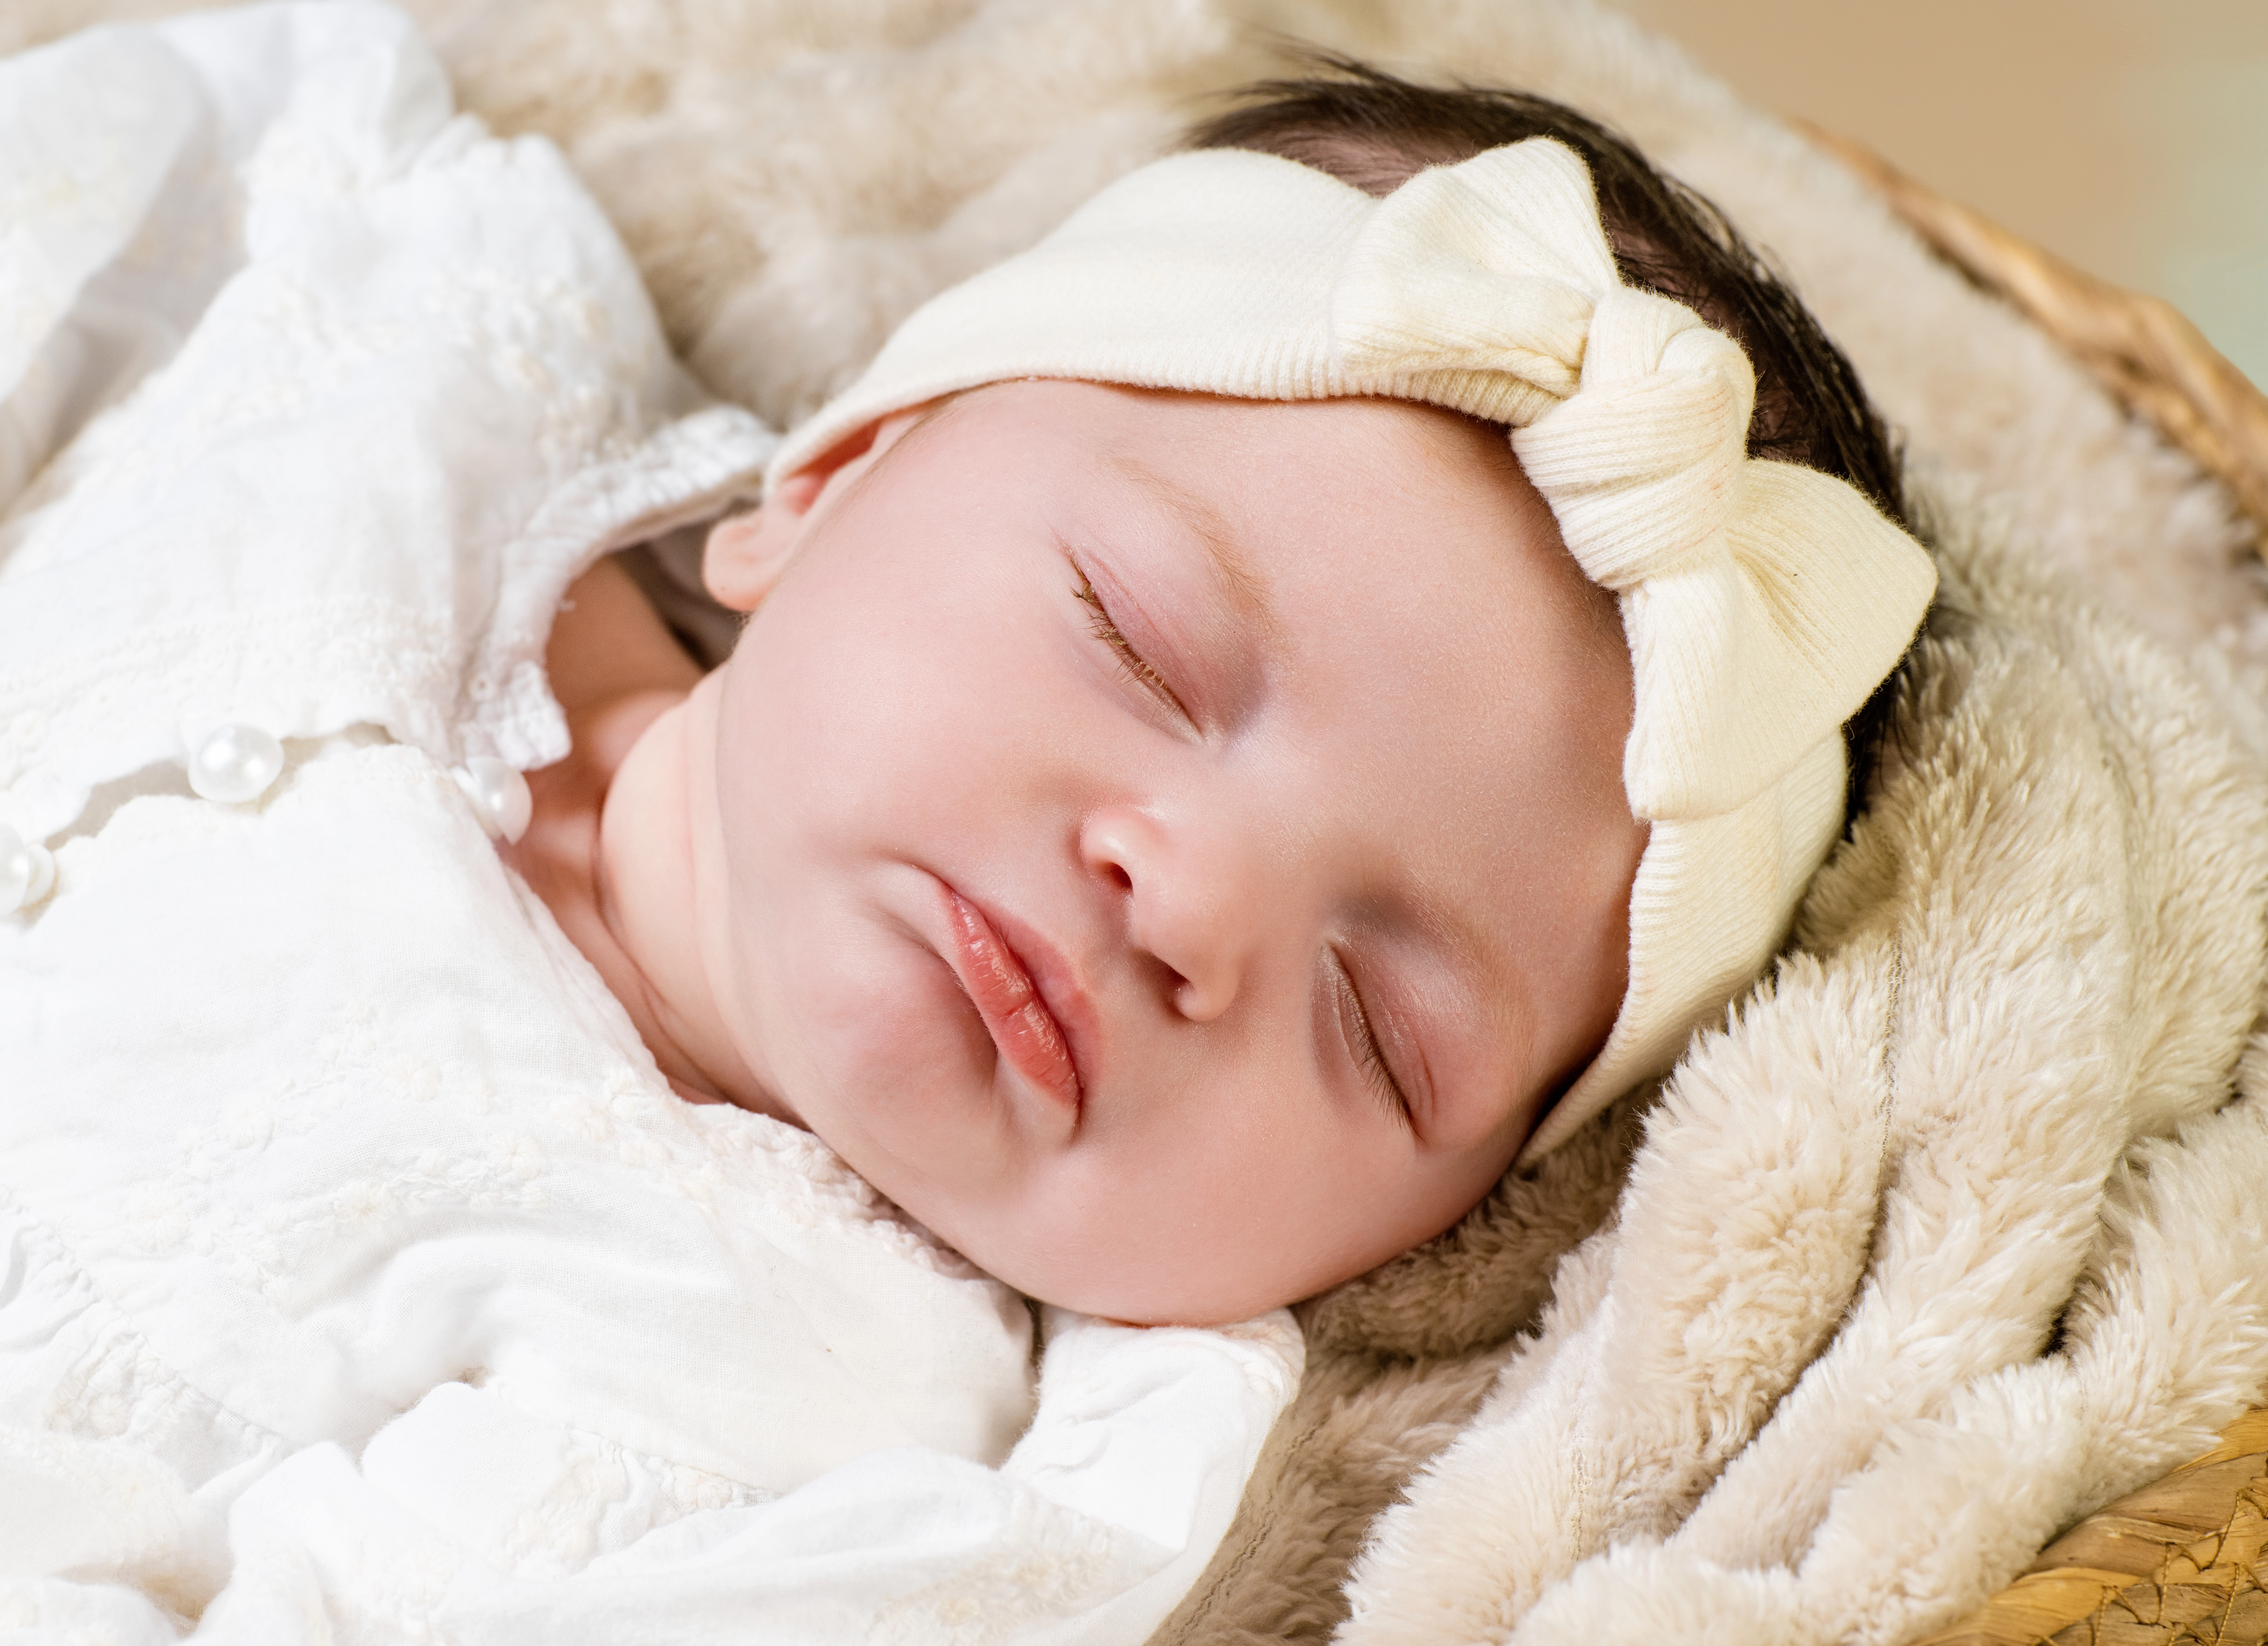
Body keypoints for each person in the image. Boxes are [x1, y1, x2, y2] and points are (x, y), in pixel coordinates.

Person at [506, 65, 1938, 1327]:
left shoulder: (893, 1466)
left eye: (1375, 1024)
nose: (1189, 904)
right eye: (1138, 645)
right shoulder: (443, 446)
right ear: (837, 477)